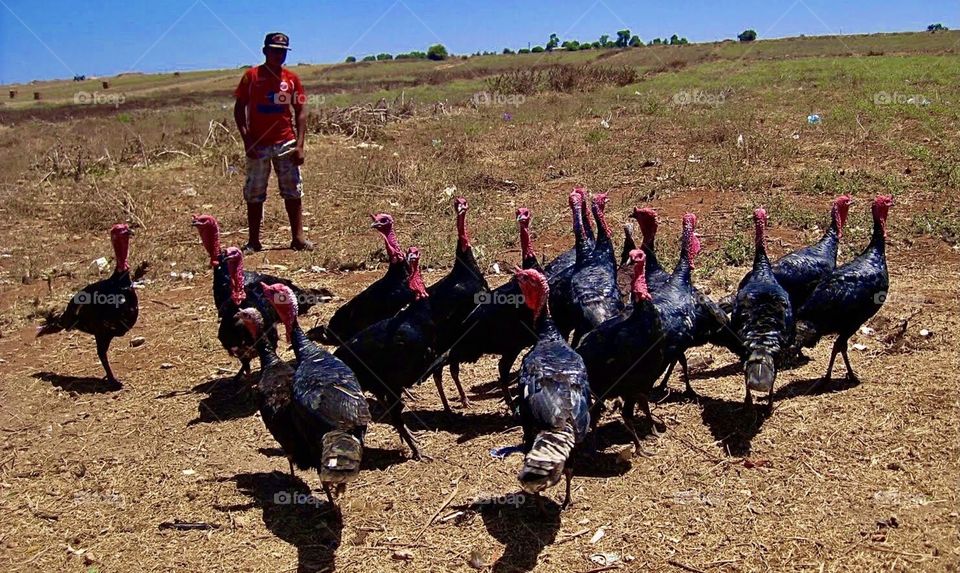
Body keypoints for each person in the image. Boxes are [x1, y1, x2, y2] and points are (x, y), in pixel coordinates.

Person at [233, 32, 313, 253]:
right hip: (258, 145)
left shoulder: (291, 79)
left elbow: (300, 111)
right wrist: (247, 140)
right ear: (265, 51)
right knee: (254, 192)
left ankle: (298, 238)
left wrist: (300, 145)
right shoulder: (251, 77)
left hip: (286, 142)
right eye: (275, 51)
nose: (279, 55)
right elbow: (239, 109)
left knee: (293, 190)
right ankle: (253, 241)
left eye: (283, 52)